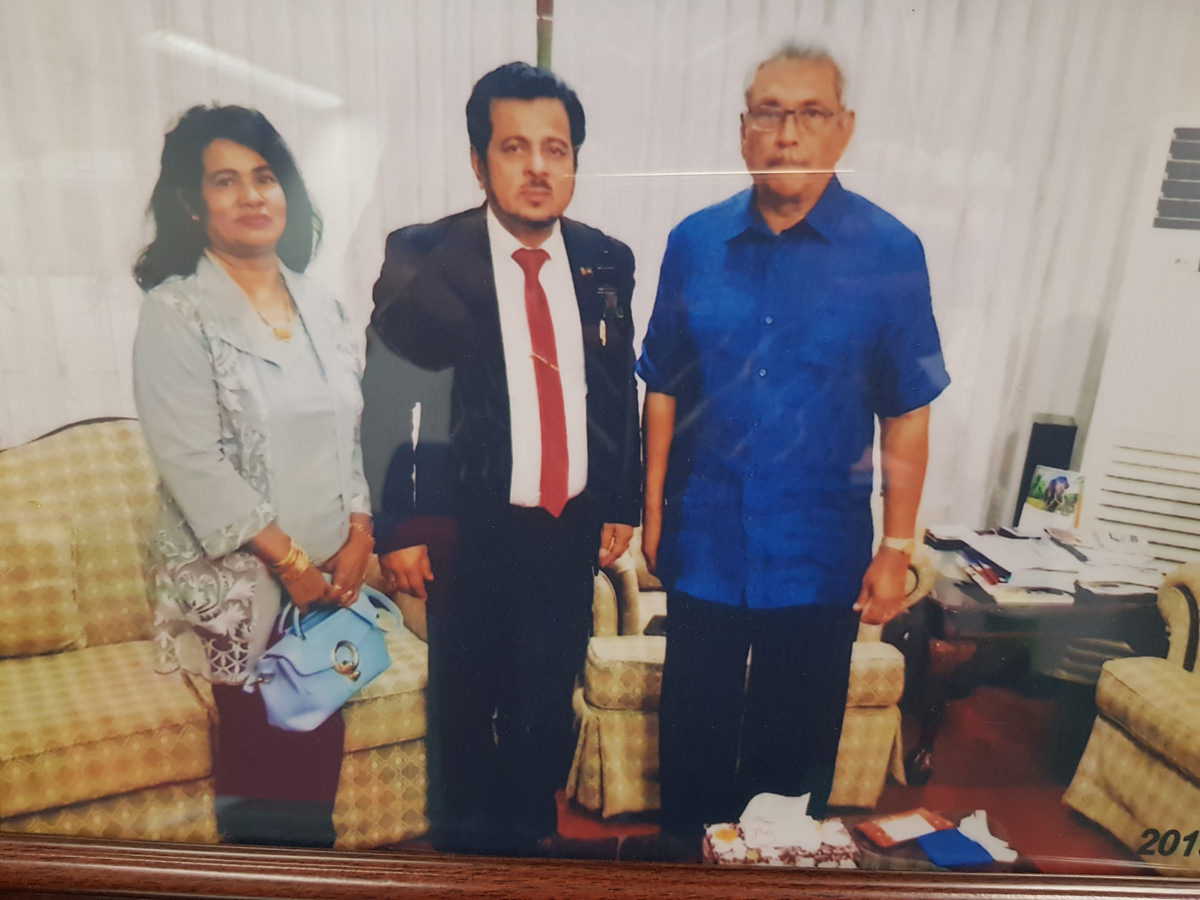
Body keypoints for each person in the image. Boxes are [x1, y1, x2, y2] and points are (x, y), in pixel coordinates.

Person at [638, 43, 951, 841]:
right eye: (770, 114)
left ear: (844, 129)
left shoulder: (891, 252)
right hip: (705, 539)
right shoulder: (693, 242)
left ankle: (771, 874)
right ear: (743, 130)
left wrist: (897, 546)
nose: (788, 134)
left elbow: (907, 410)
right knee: (693, 742)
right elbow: (663, 384)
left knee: (793, 756)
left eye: (811, 114)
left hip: (819, 551)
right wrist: (653, 511)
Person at [366, 61, 640, 855]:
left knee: (545, 704)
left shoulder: (605, 259)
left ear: (576, 161)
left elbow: (613, 386)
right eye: (514, 148)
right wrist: (398, 527)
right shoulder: (425, 254)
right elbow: (386, 402)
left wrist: (618, 501)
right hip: (464, 529)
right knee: (463, 706)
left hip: (567, 526)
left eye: (556, 149)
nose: (537, 167)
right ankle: (463, 865)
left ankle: (528, 853)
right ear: (478, 160)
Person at [131, 104, 375, 847]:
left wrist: (360, 531)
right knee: (261, 794)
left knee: (316, 778)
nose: (252, 196)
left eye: (265, 177)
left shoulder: (322, 306)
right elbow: (192, 461)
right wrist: (294, 564)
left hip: (327, 588)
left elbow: (350, 431)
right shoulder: (177, 311)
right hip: (244, 591)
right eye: (226, 181)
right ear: (191, 204)